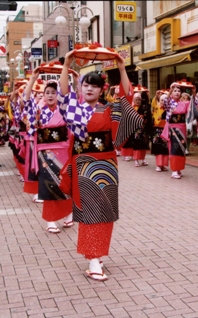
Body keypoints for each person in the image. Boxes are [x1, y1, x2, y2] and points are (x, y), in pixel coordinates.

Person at [58, 50, 143, 281]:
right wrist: (66, 64)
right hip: (84, 165)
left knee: (105, 211)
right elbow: (63, 93)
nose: (89, 89)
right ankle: (93, 259)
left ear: (101, 89)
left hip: (108, 166)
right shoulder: (75, 108)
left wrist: (122, 68)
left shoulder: (110, 109)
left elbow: (127, 96)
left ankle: (97, 252)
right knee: (91, 211)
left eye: (95, 86)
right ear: (81, 87)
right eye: (86, 84)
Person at [23, 71, 73, 234]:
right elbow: (27, 98)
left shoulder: (64, 109)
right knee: (48, 185)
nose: (50, 95)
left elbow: (75, 98)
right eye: (47, 92)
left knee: (65, 183)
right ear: (43, 94)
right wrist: (32, 79)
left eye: (54, 92)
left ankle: (69, 215)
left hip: (64, 151)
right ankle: (51, 220)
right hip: (45, 153)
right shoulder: (38, 110)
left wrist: (74, 77)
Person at [162, 83, 195, 179]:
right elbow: (165, 102)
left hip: (182, 128)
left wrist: (194, 92)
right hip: (173, 128)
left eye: (179, 91)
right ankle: (174, 170)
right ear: (171, 93)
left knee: (181, 148)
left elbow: (193, 103)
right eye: (175, 91)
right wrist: (169, 91)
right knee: (174, 148)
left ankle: (179, 168)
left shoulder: (184, 103)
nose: (177, 93)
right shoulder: (170, 102)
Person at [151, 91, 170, 172]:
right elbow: (153, 103)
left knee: (165, 148)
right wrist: (156, 96)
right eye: (162, 100)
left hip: (166, 130)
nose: (163, 102)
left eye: (165, 100)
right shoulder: (156, 107)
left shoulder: (169, 109)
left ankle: (163, 165)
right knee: (158, 147)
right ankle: (158, 165)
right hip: (157, 129)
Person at [131, 92, 151, 167]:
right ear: (134, 100)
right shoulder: (132, 108)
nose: (138, 101)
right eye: (136, 99)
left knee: (144, 144)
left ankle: (143, 159)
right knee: (137, 144)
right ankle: (136, 159)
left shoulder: (144, 107)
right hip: (136, 129)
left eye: (139, 99)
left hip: (144, 128)